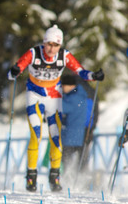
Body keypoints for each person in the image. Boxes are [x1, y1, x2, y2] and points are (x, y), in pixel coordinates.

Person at [7, 24, 104, 192]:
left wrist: (93, 75)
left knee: (56, 137)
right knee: (36, 135)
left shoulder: (64, 56)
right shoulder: (34, 53)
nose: (52, 49)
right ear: (44, 42)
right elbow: (12, 73)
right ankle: (31, 177)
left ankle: (55, 177)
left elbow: (80, 71)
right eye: (49, 44)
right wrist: (14, 71)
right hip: (35, 96)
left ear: (60, 45)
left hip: (54, 97)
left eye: (56, 45)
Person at [61, 74, 98, 173]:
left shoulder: (72, 97)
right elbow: (95, 111)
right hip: (86, 130)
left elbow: (62, 109)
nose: (62, 88)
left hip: (73, 132)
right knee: (82, 160)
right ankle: (83, 180)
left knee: (66, 161)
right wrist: (92, 127)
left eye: (63, 85)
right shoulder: (89, 92)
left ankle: (68, 181)